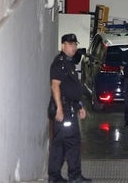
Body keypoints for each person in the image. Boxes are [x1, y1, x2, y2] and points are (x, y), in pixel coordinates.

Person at [48, 34, 92, 183]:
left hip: (70, 107)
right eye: (70, 44)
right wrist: (59, 109)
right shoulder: (59, 63)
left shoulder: (69, 63)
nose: (73, 47)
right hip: (65, 110)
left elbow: (73, 88)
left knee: (60, 144)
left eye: (75, 44)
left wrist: (80, 105)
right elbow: (55, 85)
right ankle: (74, 176)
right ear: (63, 46)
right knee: (72, 142)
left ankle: (55, 177)